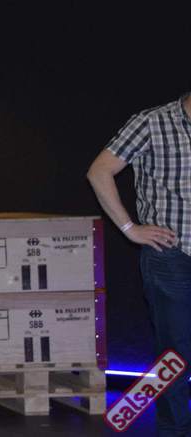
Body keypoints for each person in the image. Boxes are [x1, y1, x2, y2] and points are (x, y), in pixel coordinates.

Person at [87, 94, 188, 436]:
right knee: (175, 351)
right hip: (172, 255)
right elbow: (99, 171)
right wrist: (130, 228)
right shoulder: (151, 122)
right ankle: (172, 429)